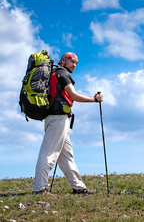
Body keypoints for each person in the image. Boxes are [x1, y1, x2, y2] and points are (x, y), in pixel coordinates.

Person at [32, 52, 103, 195]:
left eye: (76, 63)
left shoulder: (54, 74)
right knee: (49, 153)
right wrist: (94, 99)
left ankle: (78, 187)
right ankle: (39, 189)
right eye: (72, 61)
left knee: (66, 156)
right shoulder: (62, 74)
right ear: (63, 61)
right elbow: (74, 96)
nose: (74, 65)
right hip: (58, 118)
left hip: (57, 118)